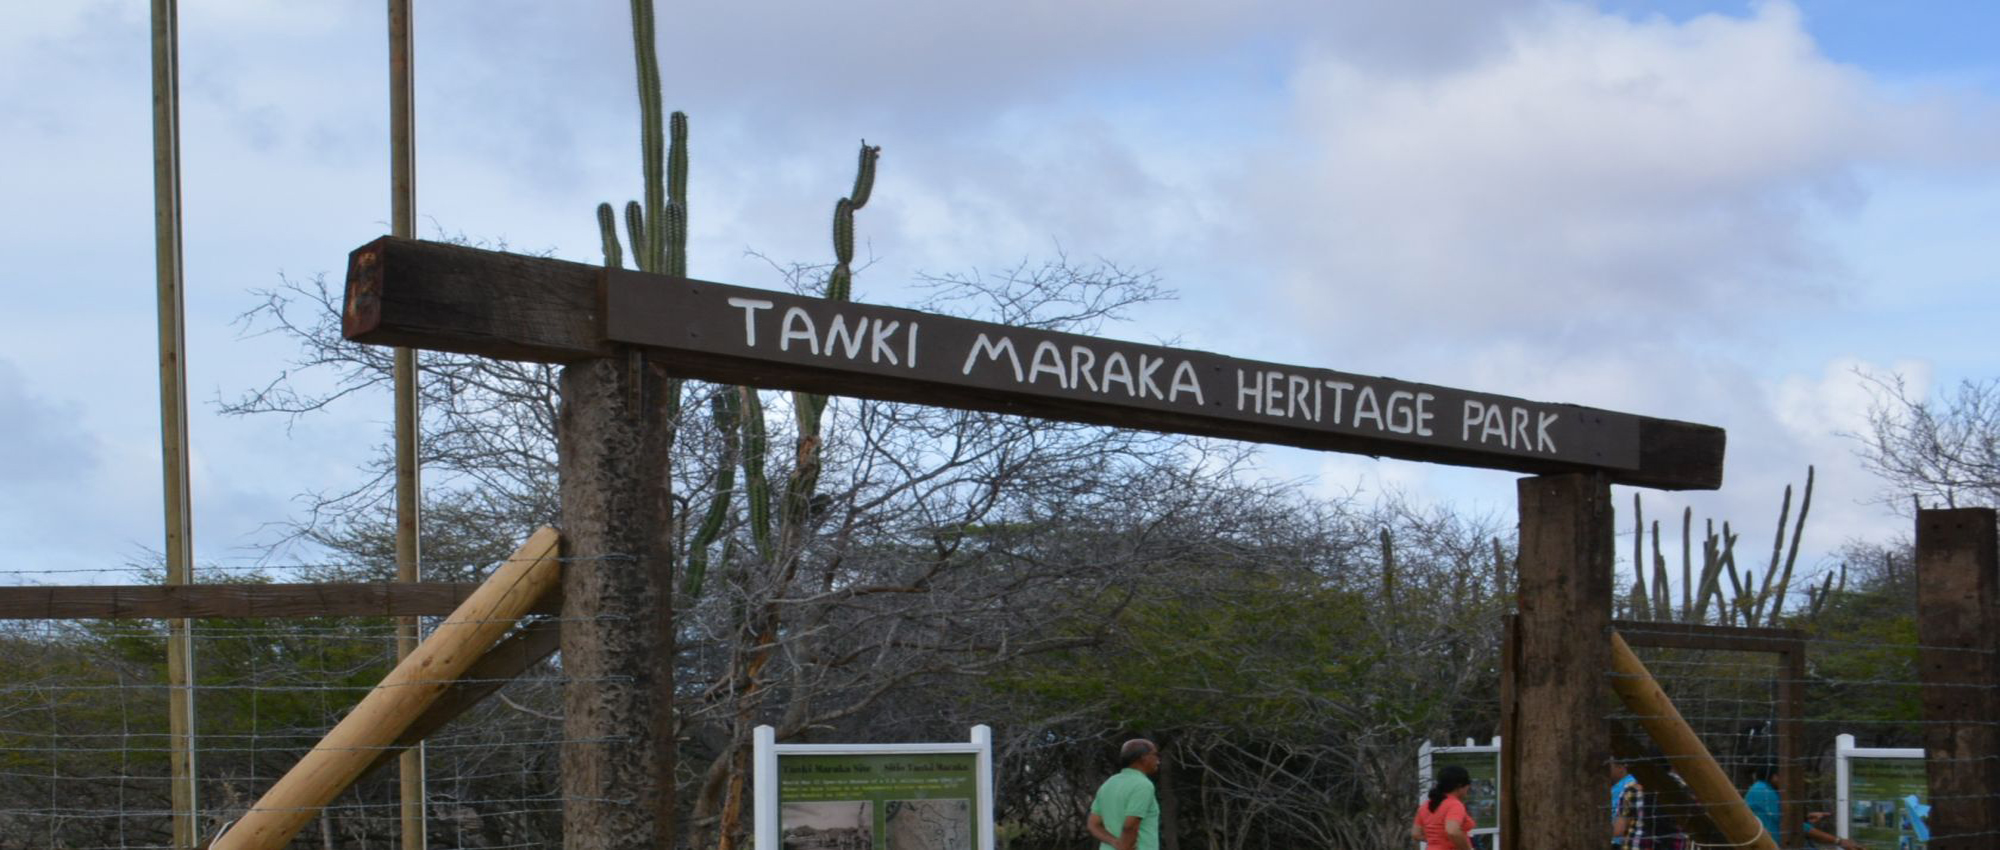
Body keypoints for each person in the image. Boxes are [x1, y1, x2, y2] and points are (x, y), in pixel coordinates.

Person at [1087, 739, 1161, 850]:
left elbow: (1093, 824)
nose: (1158, 761)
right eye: (1155, 755)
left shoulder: (1109, 783)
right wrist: (1124, 847)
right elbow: (1130, 826)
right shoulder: (1143, 785)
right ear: (1143, 757)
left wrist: (1114, 842)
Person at [1410, 764, 1476, 850]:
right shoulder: (1454, 805)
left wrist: (1436, 841)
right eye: (1468, 784)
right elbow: (1452, 831)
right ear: (1460, 785)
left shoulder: (1425, 806)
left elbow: (1416, 834)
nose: (1468, 788)